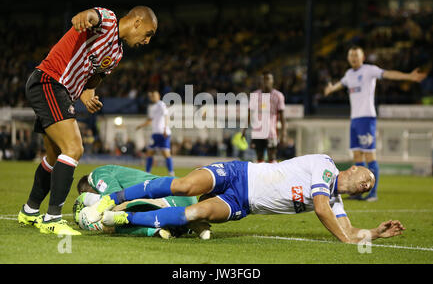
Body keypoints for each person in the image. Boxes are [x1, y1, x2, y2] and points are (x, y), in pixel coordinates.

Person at [17, 6, 158, 235]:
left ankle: (30, 211)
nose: (147, 41)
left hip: (61, 90)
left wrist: (89, 96)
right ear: (137, 22)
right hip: (50, 81)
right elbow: (94, 16)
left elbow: (92, 81)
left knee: (55, 156)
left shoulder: (117, 54)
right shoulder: (109, 20)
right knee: (73, 148)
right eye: (148, 34)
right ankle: (52, 218)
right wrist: (86, 17)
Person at [85, 154, 405, 243]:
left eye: (369, 186)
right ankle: (110, 198)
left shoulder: (338, 202)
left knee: (193, 213)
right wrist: (347, 239)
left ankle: (121, 218)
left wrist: (374, 233)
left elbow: (348, 232)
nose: (366, 184)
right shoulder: (324, 167)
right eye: (366, 177)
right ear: (351, 169)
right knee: (182, 186)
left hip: (242, 204)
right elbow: (322, 210)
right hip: (240, 174)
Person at [324, 46, 427, 201]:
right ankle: (358, 193)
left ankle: (373, 193)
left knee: (370, 156)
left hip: (367, 118)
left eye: (356, 56)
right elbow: (341, 84)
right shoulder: (349, 74)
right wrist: (331, 89)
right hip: (355, 120)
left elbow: (388, 74)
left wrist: (408, 76)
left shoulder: (369, 70)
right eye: (351, 55)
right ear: (348, 58)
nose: (353, 58)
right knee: (358, 156)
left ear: (363, 57)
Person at [73, 165, 210, 239]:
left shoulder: (96, 174)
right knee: (113, 214)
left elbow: (113, 194)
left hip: (168, 197)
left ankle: (154, 230)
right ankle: (183, 225)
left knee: (110, 217)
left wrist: (88, 203)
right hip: (184, 197)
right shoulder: (110, 171)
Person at [242, 71, 286, 163]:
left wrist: (283, 133)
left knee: (272, 158)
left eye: (268, 79)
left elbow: (282, 117)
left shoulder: (278, 96)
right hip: (258, 132)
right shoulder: (254, 95)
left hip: (271, 132)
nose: (265, 81)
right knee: (259, 158)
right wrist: (244, 130)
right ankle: (260, 177)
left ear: (272, 81)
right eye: (263, 79)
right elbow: (250, 114)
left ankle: (273, 177)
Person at [136, 89, 174, 176]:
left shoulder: (161, 104)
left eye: (155, 95)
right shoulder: (152, 107)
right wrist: (141, 125)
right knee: (149, 153)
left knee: (166, 153)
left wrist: (165, 129)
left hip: (162, 133)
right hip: (155, 134)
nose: (153, 97)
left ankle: (171, 173)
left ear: (158, 96)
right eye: (152, 96)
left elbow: (166, 116)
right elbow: (150, 120)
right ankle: (147, 173)